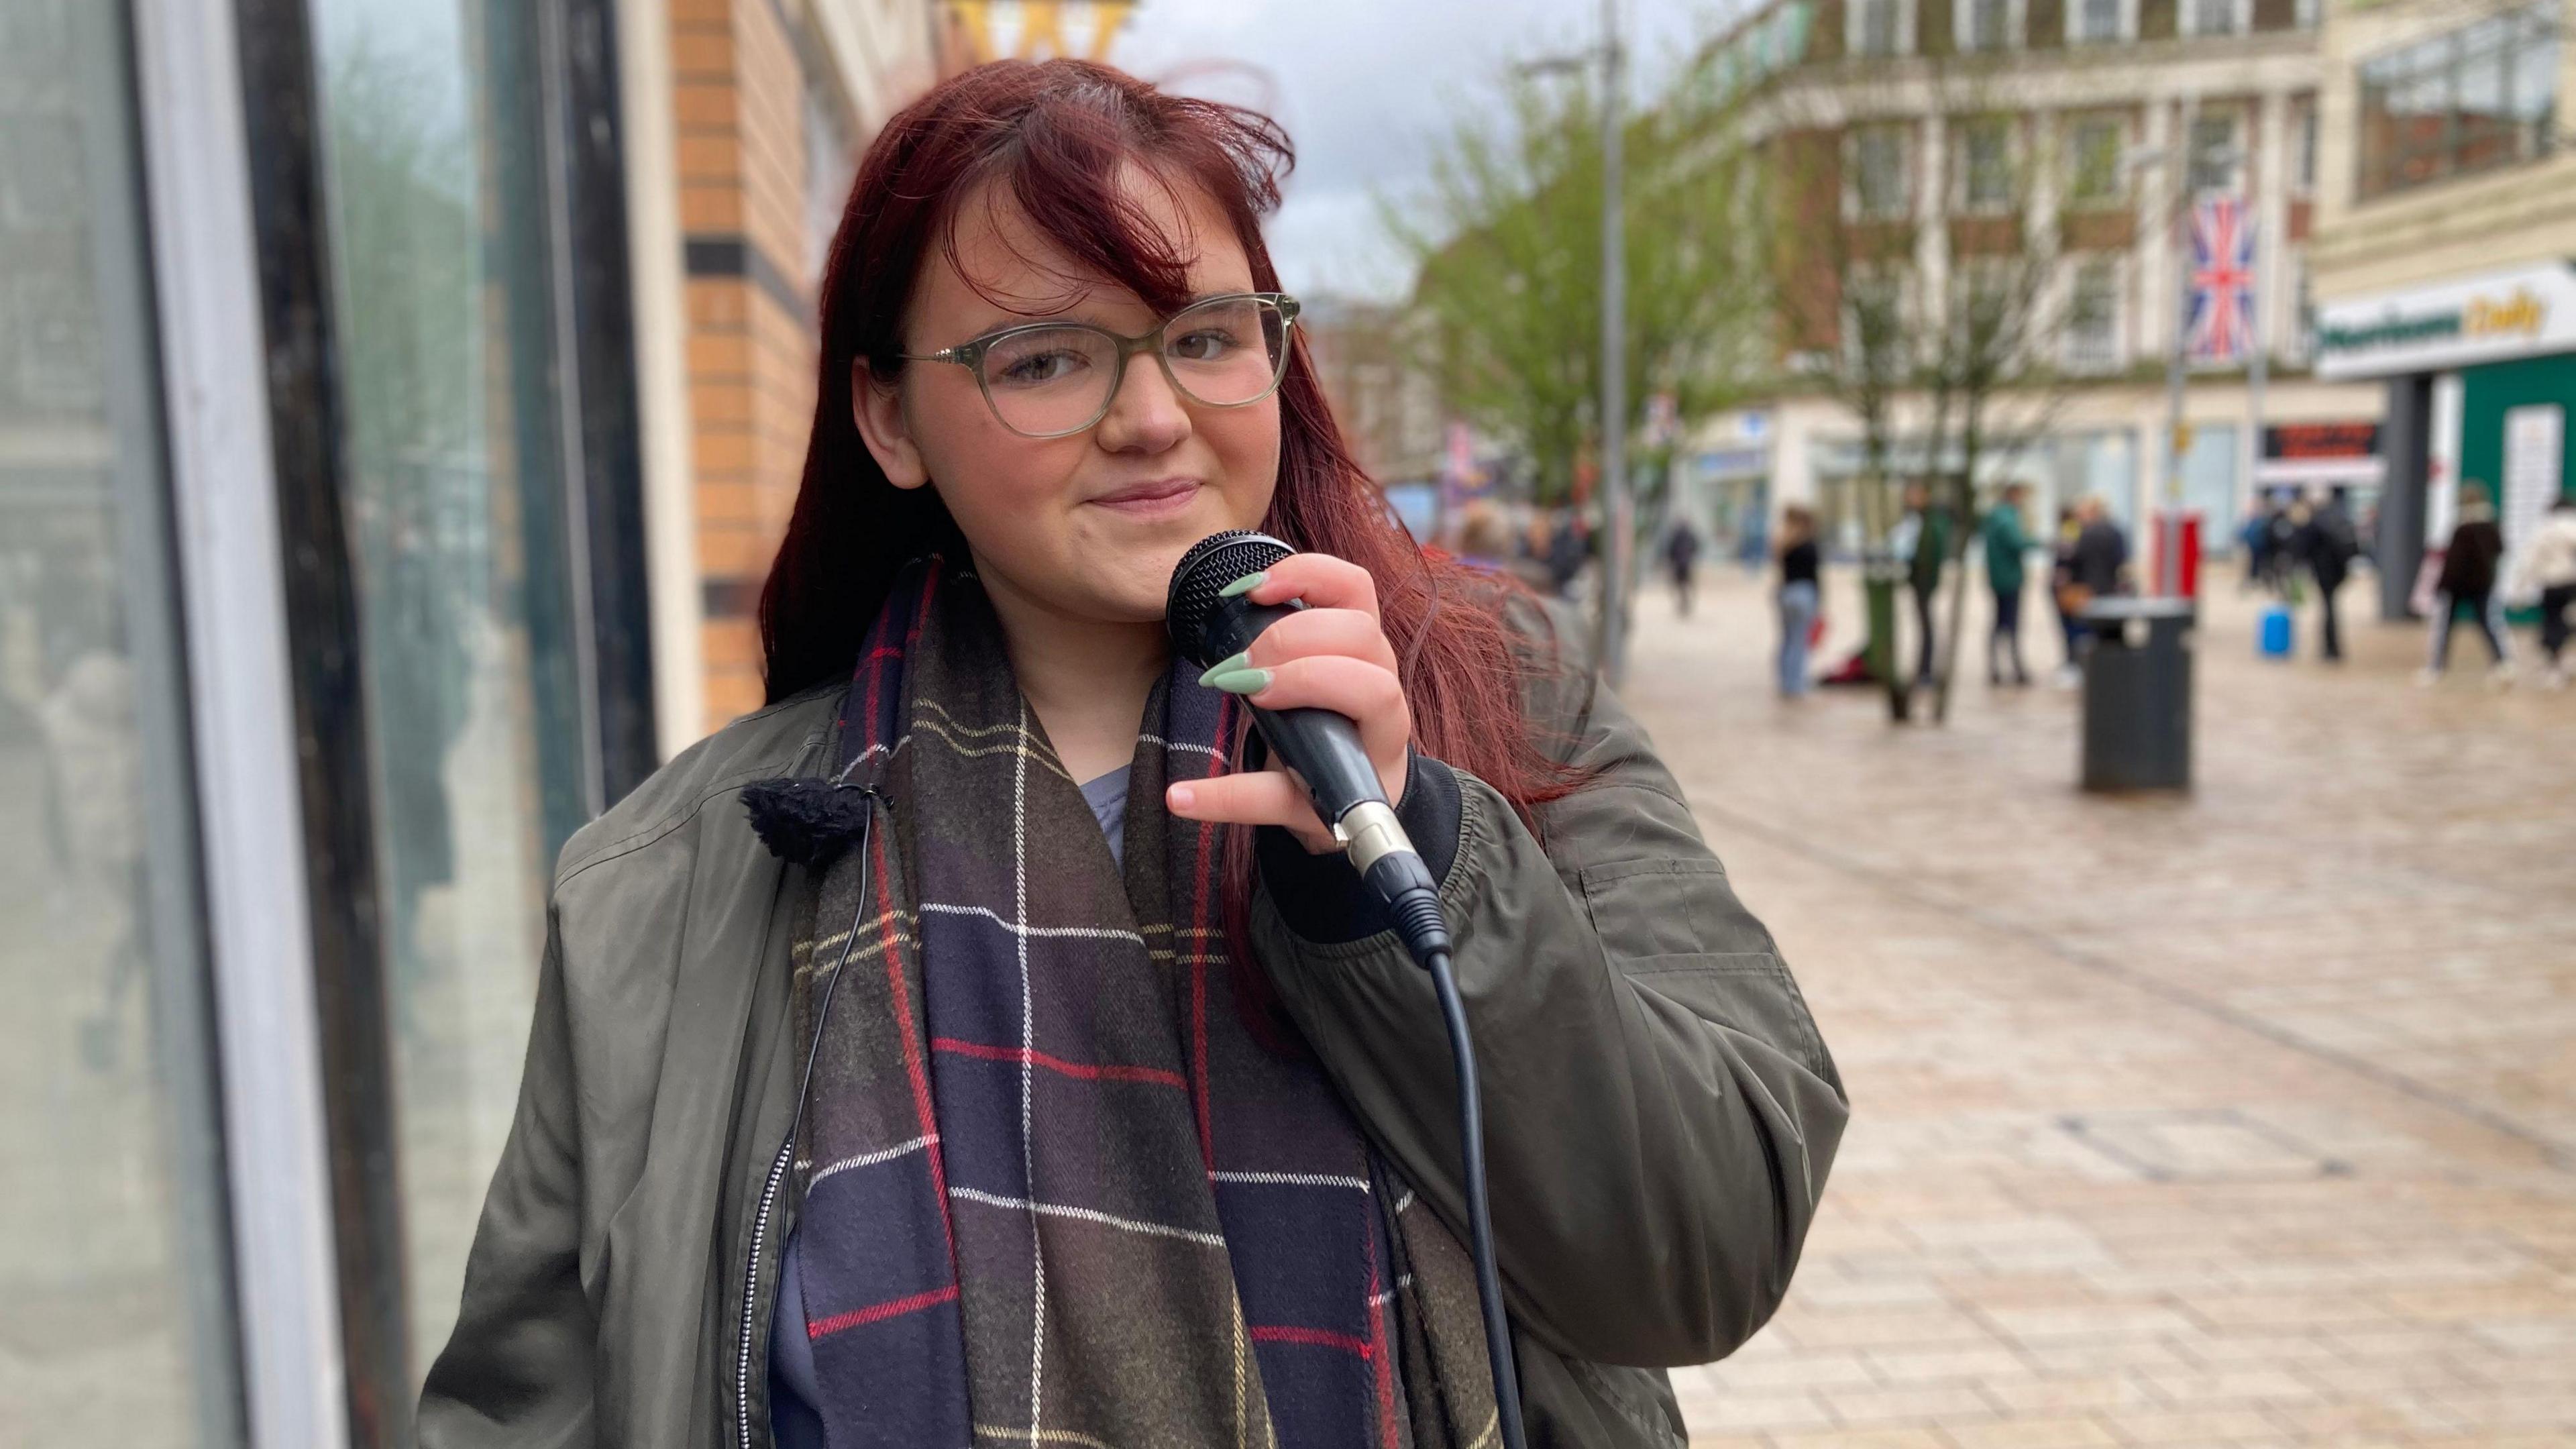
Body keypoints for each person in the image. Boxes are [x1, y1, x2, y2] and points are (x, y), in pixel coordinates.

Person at [418, 60, 1845, 1449]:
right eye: (1043, 359)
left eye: (1208, 335)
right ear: (888, 417)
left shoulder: (1500, 704)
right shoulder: (672, 885)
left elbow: (1707, 1247)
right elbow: (530, 1406)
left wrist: (1409, 860)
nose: (1154, 415)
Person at [2420, 481, 2511, 686]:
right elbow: (2501, 550)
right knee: (2488, 624)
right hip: (2483, 584)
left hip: (2458, 586)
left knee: (2445, 627)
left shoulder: (2463, 529)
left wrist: (2441, 585)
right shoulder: (2491, 526)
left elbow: (2454, 562)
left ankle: (2437, 667)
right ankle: (2502, 663)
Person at [2508, 494, 2576, 688]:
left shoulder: (2545, 531)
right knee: (2564, 622)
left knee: (2552, 623)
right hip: (2572, 584)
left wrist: (2518, 590)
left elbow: (2530, 561)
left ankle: (2555, 665)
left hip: (2553, 584)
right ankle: (2559, 661)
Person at [2290, 494, 2359, 662]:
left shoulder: (2314, 524)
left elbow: (2301, 549)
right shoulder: (2333, 519)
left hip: (2325, 572)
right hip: (2338, 571)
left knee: (2328, 610)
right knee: (2330, 608)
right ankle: (2332, 647)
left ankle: (2330, 648)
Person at [1980, 483, 2033, 686]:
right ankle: (2014, 668)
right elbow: (2016, 542)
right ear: (2014, 496)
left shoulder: (1995, 516)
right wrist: (2038, 543)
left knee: (1999, 623)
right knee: (2010, 624)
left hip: (1998, 577)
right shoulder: (2006, 517)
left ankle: (1998, 668)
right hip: (2009, 578)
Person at [1900, 482, 1953, 688]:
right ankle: (1923, 669)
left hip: (1925, 581)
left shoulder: (1931, 521)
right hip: (1918, 580)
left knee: (1927, 627)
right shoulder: (1917, 519)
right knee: (1923, 626)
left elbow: (1932, 553)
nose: (1910, 499)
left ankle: (1926, 671)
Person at [1777, 504, 1821, 698]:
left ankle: (1786, 681)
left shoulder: (1785, 541)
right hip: (1803, 593)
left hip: (1786, 593)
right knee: (1799, 641)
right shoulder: (1808, 544)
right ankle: (1796, 684)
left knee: (1787, 640)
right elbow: (1815, 574)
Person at [2048, 504, 2084, 686]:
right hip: (2066, 588)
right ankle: (2073, 663)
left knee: (2071, 629)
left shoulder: (2070, 532)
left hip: (2067, 590)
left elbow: (2066, 561)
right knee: (2071, 629)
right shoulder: (2073, 531)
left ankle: (2074, 664)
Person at [1664, 516, 1704, 616]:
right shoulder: (1690, 535)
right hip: (1687, 563)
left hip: (1679, 564)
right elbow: (1696, 547)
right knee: (1686, 585)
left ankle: (1684, 603)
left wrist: (1671, 560)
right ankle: (1685, 603)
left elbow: (1671, 549)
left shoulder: (1676, 535)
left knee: (1680, 585)